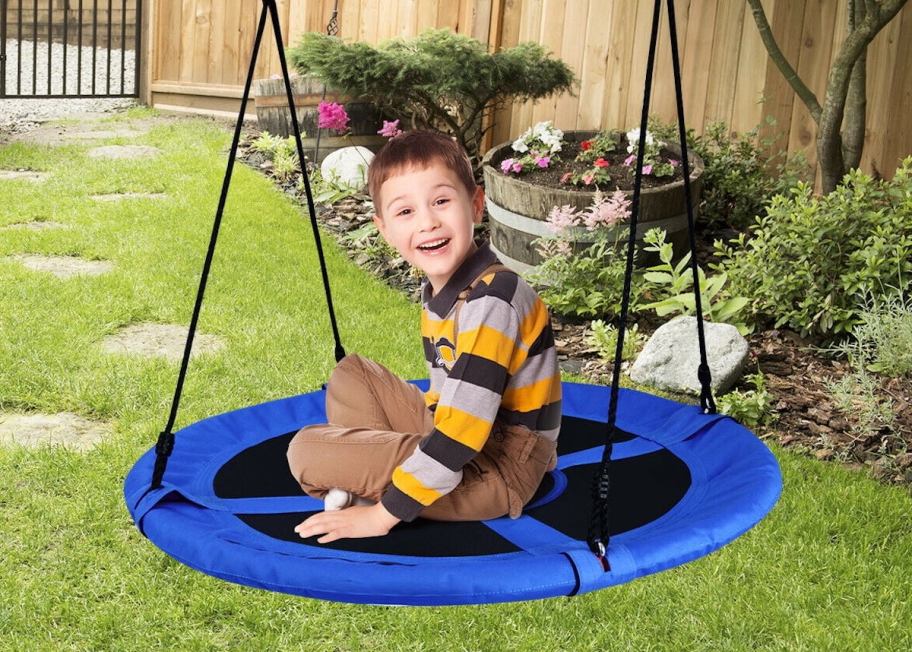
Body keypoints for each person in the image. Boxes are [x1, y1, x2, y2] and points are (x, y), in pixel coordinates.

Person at [287, 130, 561, 543]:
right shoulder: (441, 292)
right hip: (462, 439)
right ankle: (375, 475)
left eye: (441, 202)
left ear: (475, 204)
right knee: (352, 374)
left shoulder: (493, 300)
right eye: (405, 212)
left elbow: (464, 429)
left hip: (501, 470)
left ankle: (376, 491)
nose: (428, 222)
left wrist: (382, 516)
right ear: (383, 229)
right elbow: (446, 393)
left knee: (305, 451)